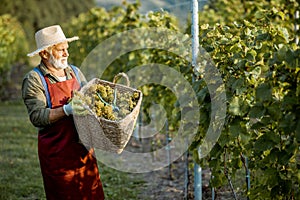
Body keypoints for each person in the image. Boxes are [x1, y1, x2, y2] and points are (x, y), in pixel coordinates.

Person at [22, 25, 105, 199]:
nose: (67, 54)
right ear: (45, 53)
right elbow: (37, 117)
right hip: (57, 154)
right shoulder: (34, 80)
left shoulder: (75, 72)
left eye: (67, 49)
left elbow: (90, 102)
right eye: (61, 50)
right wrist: (67, 110)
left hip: (84, 151)